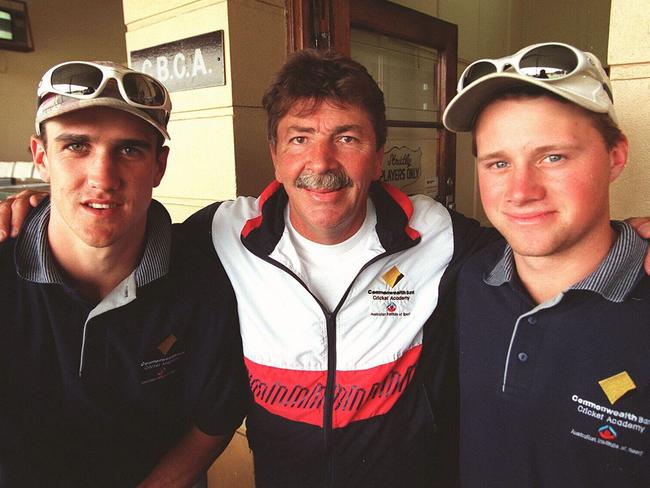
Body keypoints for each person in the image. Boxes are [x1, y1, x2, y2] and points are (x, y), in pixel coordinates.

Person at [2, 50, 650, 488]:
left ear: (377, 153)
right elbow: (121, 234)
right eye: (299, 137)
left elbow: (546, 241)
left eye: (347, 136)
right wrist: (36, 211)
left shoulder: (446, 236)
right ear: (274, 152)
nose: (322, 160)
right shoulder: (217, 237)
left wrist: (625, 237)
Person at [0, 61, 249, 487]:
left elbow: (216, 414)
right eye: (76, 147)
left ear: (159, 166)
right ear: (42, 157)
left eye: (129, 149)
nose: (103, 177)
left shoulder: (207, 273)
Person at [443, 42, 649, 486]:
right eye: (498, 163)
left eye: (552, 157)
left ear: (615, 157)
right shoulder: (467, 280)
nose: (521, 190)